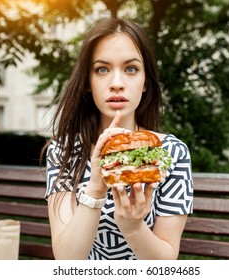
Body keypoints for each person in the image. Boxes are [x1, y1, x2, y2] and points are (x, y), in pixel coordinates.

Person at [42, 17, 193, 260]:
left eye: (131, 69)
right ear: (88, 82)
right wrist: (95, 188)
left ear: (145, 82)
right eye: (102, 69)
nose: (116, 84)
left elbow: (166, 261)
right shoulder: (64, 151)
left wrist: (133, 226)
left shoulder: (171, 153)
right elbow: (66, 260)